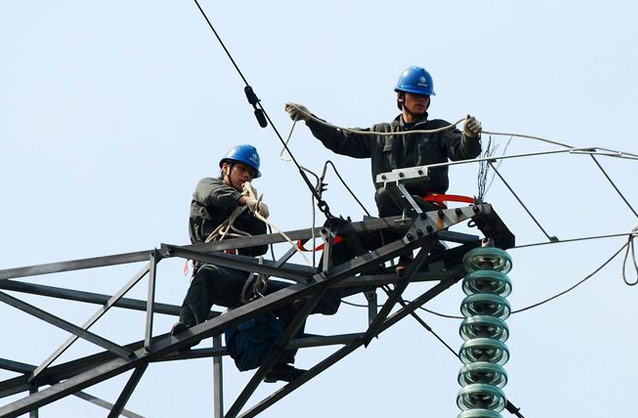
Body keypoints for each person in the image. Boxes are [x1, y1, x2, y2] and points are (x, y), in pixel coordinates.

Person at [172, 144, 302, 383]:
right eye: (242, 170)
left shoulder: (246, 206)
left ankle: (279, 362)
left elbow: (260, 245)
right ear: (225, 168)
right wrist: (244, 201)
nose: (246, 176)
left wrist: (256, 212)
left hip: (246, 276)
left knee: (298, 297)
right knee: (207, 274)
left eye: (251, 174)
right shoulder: (207, 185)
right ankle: (186, 331)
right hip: (219, 269)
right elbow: (214, 195)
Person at [285, 66, 483, 218]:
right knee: (341, 245)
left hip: (429, 210)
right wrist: (311, 119)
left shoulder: (439, 129)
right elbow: (341, 140)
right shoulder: (382, 133)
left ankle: (411, 254)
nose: (421, 100)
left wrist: (470, 136)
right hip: (392, 211)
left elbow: (464, 151)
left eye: (424, 96)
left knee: (385, 194)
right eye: (415, 95)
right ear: (400, 97)